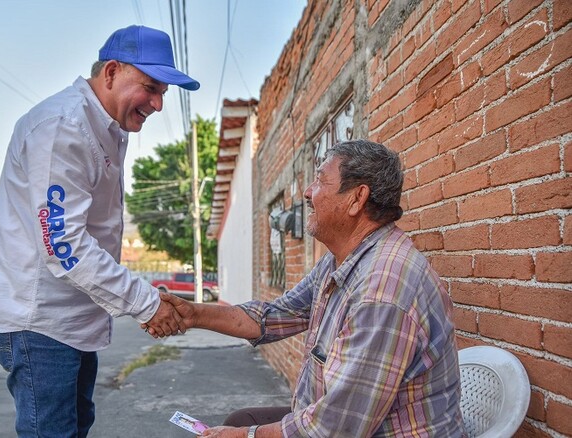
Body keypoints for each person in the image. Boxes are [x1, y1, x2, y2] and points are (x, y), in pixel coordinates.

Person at [148, 140, 465, 437]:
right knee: (239, 421)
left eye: (320, 181)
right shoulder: (339, 261)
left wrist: (248, 436)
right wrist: (192, 314)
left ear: (357, 198)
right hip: (338, 421)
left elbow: (337, 427)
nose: (307, 192)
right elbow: (274, 316)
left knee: (241, 429)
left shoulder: (382, 291)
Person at [0, 25, 199, 437]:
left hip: (72, 322)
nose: (158, 103)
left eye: (164, 93)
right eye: (151, 87)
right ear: (111, 72)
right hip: (39, 323)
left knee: (75, 428)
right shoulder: (62, 126)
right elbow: (66, 246)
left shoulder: (107, 127)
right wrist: (147, 304)